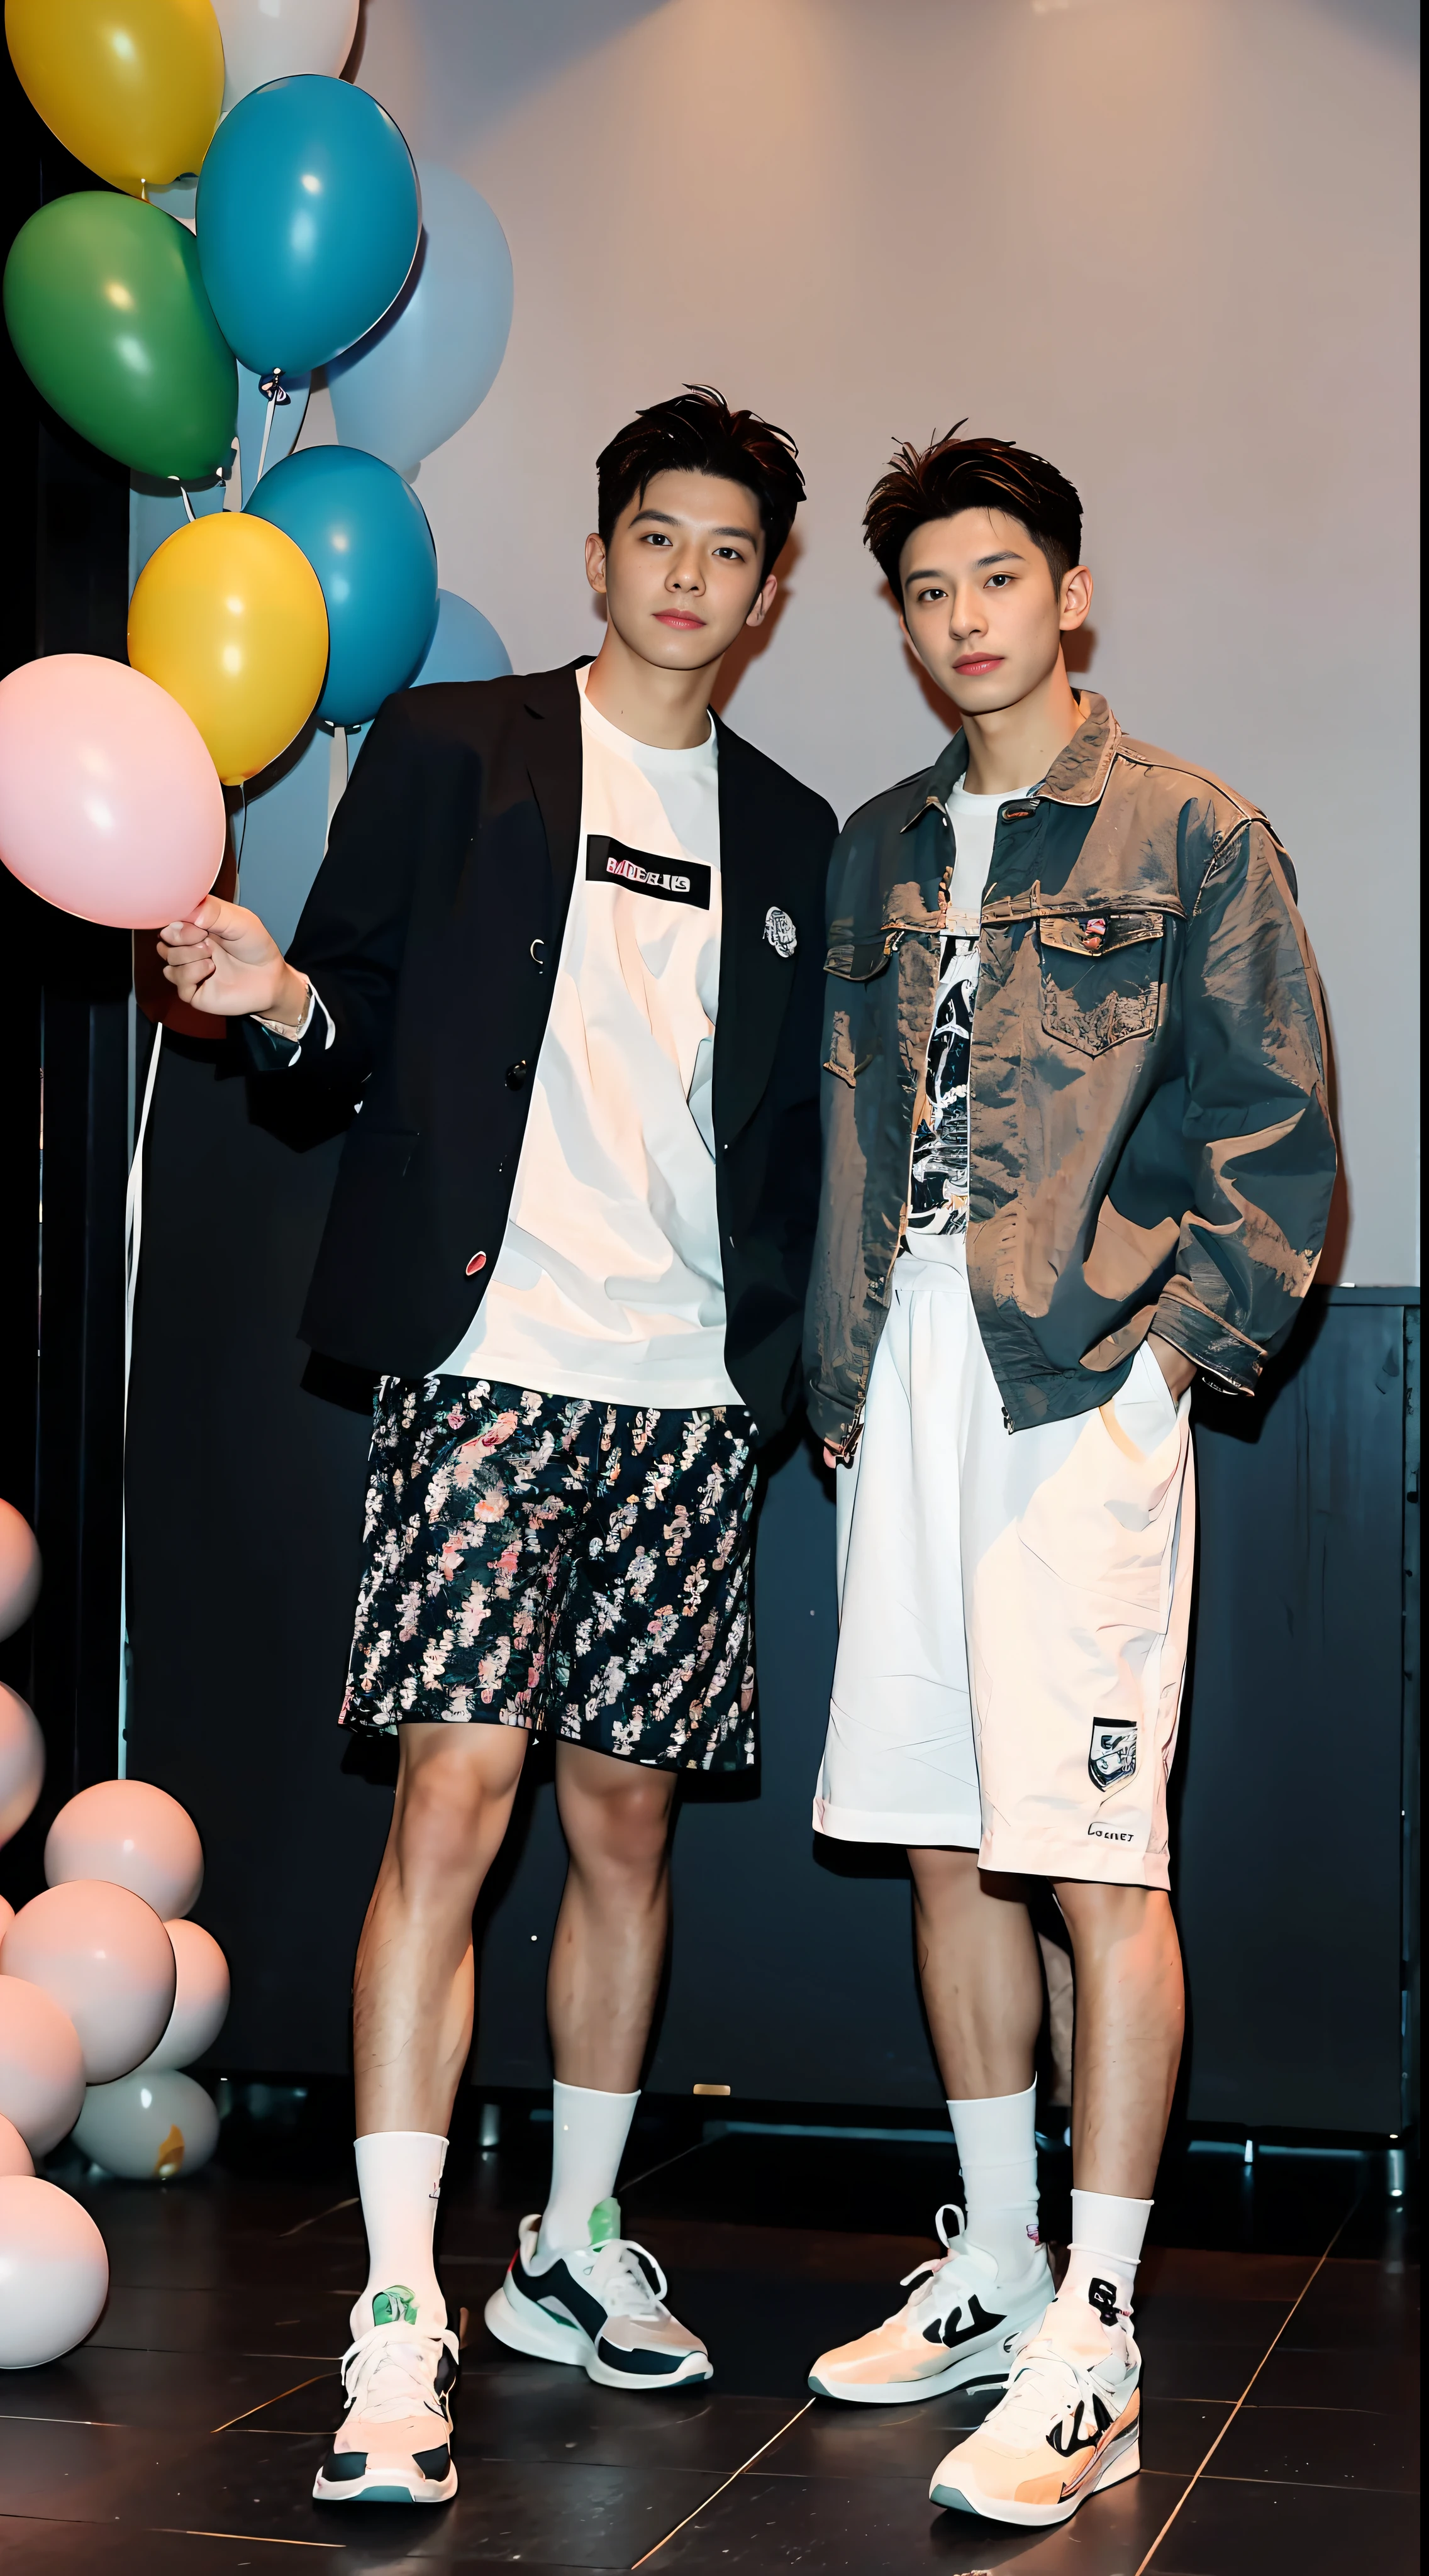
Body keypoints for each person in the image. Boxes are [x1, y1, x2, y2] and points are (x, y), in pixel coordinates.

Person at [158, 387, 836, 2508]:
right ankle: (391, 2309)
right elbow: (337, 1027)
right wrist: (273, 995)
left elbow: (792, 1137)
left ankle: (573, 2245)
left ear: (764, 590)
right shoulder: (457, 756)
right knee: (452, 1800)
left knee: (626, 1826)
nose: (688, 575)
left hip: (685, 1393)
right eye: (658, 533)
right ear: (601, 550)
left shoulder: (801, 834)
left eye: (728, 550)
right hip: (482, 1360)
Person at [802, 428, 1335, 2529]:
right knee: (949, 1841)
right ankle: (1004, 2261)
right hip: (909, 1383)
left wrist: (1171, 1368)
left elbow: (1275, 1130)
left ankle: (1099, 2325)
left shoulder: (1194, 829)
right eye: (928, 592)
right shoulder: (875, 850)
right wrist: (843, 1369)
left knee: (1101, 1857)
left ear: (1070, 595)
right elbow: (847, 1127)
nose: (964, 622)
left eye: (998, 579)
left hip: (1079, 1383)